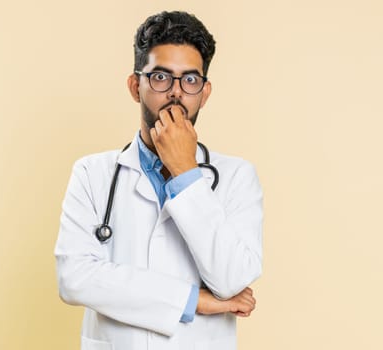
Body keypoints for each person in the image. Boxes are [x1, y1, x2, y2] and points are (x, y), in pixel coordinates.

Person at [54, 11, 263, 350]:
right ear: (136, 86)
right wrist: (190, 300)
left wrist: (186, 173)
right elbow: (73, 279)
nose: (176, 93)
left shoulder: (237, 177)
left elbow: (232, 280)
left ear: (205, 92)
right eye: (161, 77)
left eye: (190, 80)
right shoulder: (92, 174)